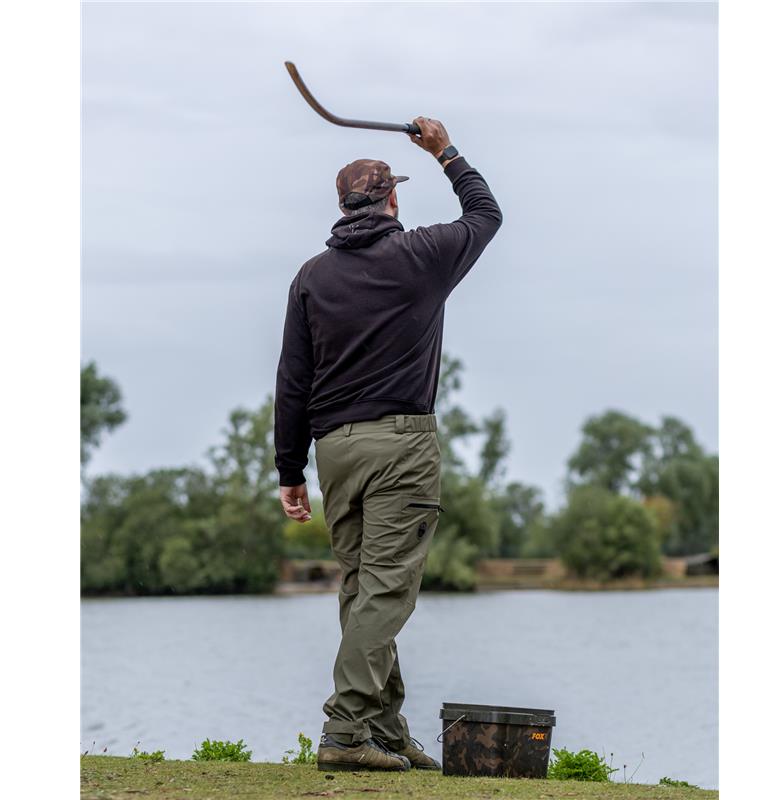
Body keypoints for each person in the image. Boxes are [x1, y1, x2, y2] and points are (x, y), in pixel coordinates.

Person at [274, 117, 502, 772]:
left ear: (343, 205)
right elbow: (485, 214)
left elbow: (293, 379)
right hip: (401, 446)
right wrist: (445, 152)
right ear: (392, 200)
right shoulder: (422, 256)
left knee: (361, 589)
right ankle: (346, 730)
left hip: (335, 451)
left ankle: (383, 727)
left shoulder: (311, 277)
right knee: (384, 591)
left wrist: (289, 468)